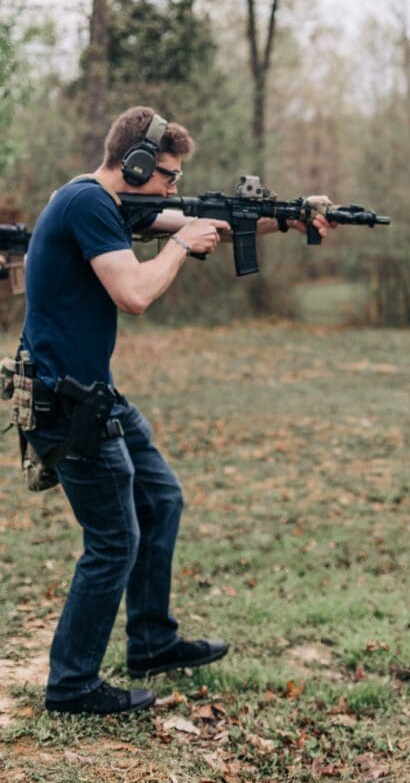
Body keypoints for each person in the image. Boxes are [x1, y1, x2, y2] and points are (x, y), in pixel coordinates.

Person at [21, 105, 334, 715]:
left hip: (92, 391)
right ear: (135, 164)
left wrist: (286, 217)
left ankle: (152, 641)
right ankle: (72, 685)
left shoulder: (106, 205)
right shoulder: (87, 204)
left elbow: (197, 218)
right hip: (69, 401)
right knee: (113, 541)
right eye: (166, 174)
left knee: (160, 497)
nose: (173, 187)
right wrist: (182, 247)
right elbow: (134, 293)